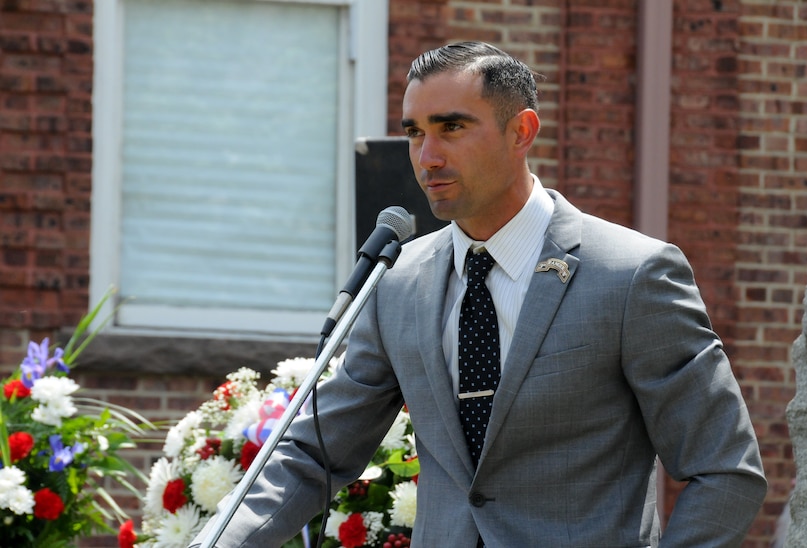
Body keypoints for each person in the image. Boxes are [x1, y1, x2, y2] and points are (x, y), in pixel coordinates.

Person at [191, 41, 766, 547]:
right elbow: (313, 452)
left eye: (452, 127)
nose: (426, 156)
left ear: (522, 131)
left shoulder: (632, 274)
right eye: (415, 132)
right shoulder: (396, 283)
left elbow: (725, 470)